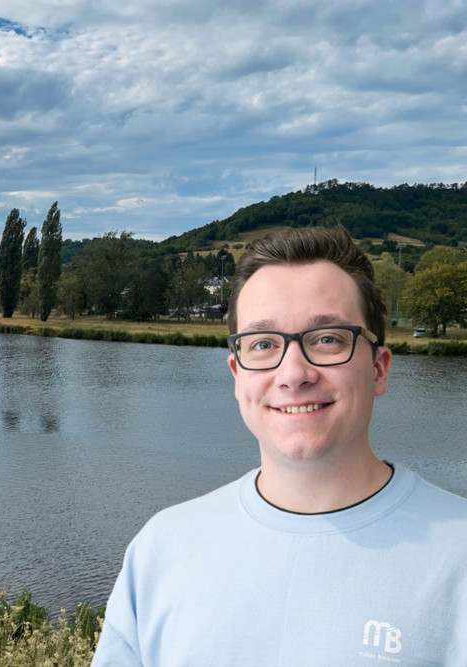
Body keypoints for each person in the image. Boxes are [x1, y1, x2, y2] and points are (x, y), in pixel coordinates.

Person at [92, 227, 467, 666]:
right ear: (237, 375)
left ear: (379, 369)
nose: (293, 374)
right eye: (264, 344)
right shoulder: (160, 549)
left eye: (327, 338)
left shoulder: (457, 555)